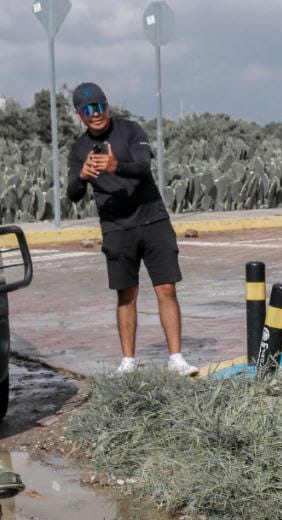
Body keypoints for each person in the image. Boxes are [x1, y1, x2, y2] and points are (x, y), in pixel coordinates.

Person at [65, 82, 198, 375]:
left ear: (107, 106)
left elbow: (143, 167)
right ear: (79, 115)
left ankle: (176, 358)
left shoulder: (131, 130)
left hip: (153, 220)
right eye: (88, 109)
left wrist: (115, 166)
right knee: (126, 294)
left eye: (100, 106)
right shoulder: (78, 149)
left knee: (166, 288)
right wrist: (82, 177)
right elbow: (72, 194)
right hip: (115, 227)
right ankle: (128, 362)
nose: (96, 113)